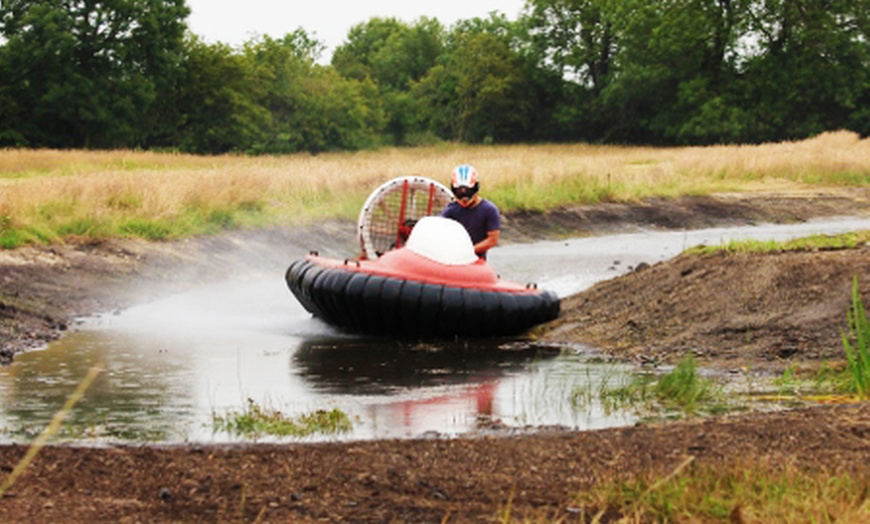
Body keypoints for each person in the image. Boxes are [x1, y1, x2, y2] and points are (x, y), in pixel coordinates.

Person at [440, 164, 501, 259]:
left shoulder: (489, 210)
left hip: (477, 260)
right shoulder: (450, 211)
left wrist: (469, 251)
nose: (464, 199)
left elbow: (493, 239)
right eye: (459, 193)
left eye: (468, 193)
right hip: (454, 259)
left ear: (476, 189)